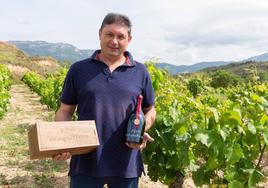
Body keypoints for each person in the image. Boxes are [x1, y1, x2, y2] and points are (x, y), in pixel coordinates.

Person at [53, 12, 156, 188]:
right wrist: (62, 142)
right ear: (100, 34)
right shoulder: (78, 70)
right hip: (85, 163)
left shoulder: (140, 71)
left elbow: (150, 110)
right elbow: (65, 110)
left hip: (126, 165)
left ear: (129, 39)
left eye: (121, 36)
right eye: (109, 34)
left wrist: (142, 128)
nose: (114, 41)